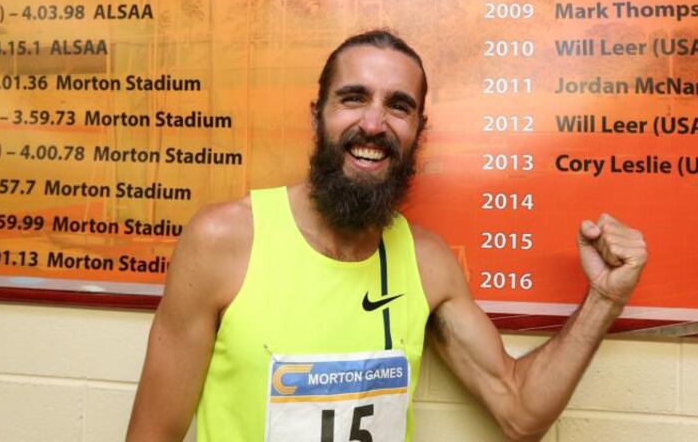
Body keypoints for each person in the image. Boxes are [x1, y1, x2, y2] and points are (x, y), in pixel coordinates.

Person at [126, 29, 647, 442]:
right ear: (318, 115)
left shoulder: (426, 261)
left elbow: (520, 412)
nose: (374, 124)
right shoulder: (223, 240)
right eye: (353, 98)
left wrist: (604, 298)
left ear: (419, 129)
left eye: (398, 106)